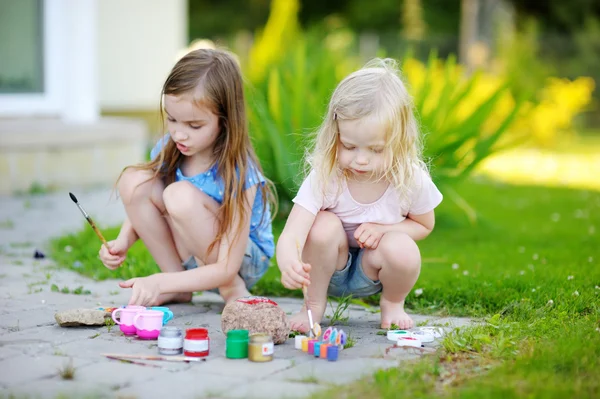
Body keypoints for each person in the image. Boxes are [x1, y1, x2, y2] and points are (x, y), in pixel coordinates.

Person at [99, 48, 277, 306]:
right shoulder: (169, 147)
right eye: (172, 119)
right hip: (193, 253)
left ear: (225, 121)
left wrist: (158, 282)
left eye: (194, 126)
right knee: (135, 180)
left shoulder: (240, 172)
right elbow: (144, 199)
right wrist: (124, 240)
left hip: (238, 262)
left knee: (177, 195)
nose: (179, 134)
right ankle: (178, 284)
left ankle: (232, 290)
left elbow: (228, 264)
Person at [276, 58, 443, 331]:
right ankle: (312, 307)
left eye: (375, 150)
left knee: (403, 249)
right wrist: (288, 261)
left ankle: (392, 303)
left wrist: (385, 229)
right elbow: (293, 233)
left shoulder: (410, 179)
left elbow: (425, 225)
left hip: (373, 270)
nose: (361, 160)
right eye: (349, 146)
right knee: (323, 224)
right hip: (327, 269)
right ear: (336, 135)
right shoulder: (327, 175)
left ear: (399, 142)